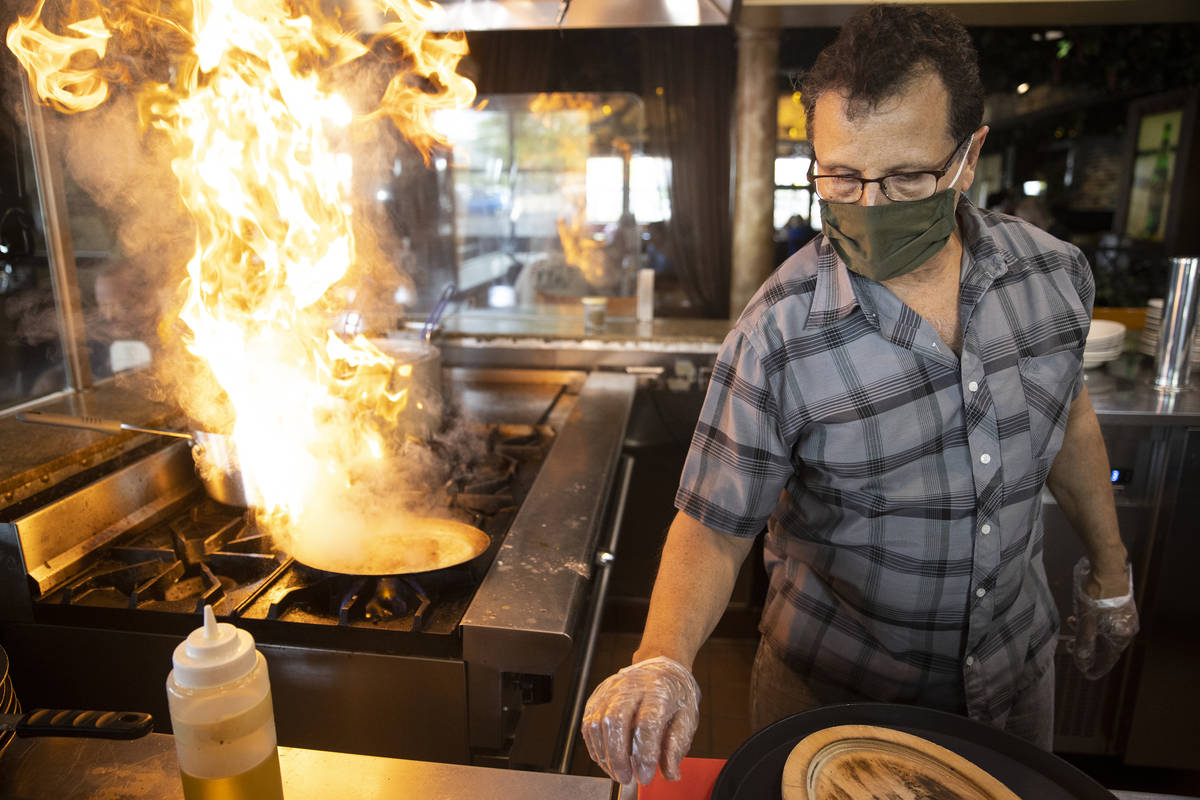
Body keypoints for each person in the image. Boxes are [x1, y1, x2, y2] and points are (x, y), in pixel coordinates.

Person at [581, 4, 1137, 787]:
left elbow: (1068, 422)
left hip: (1016, 682)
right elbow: (712, 525)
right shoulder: (778, 332)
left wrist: (1111, 576)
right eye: (841, 176)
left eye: (907, 176)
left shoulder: (1053, 277)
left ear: (969, 155)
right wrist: (661, 657)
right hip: (835, 710)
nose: (870, 206)